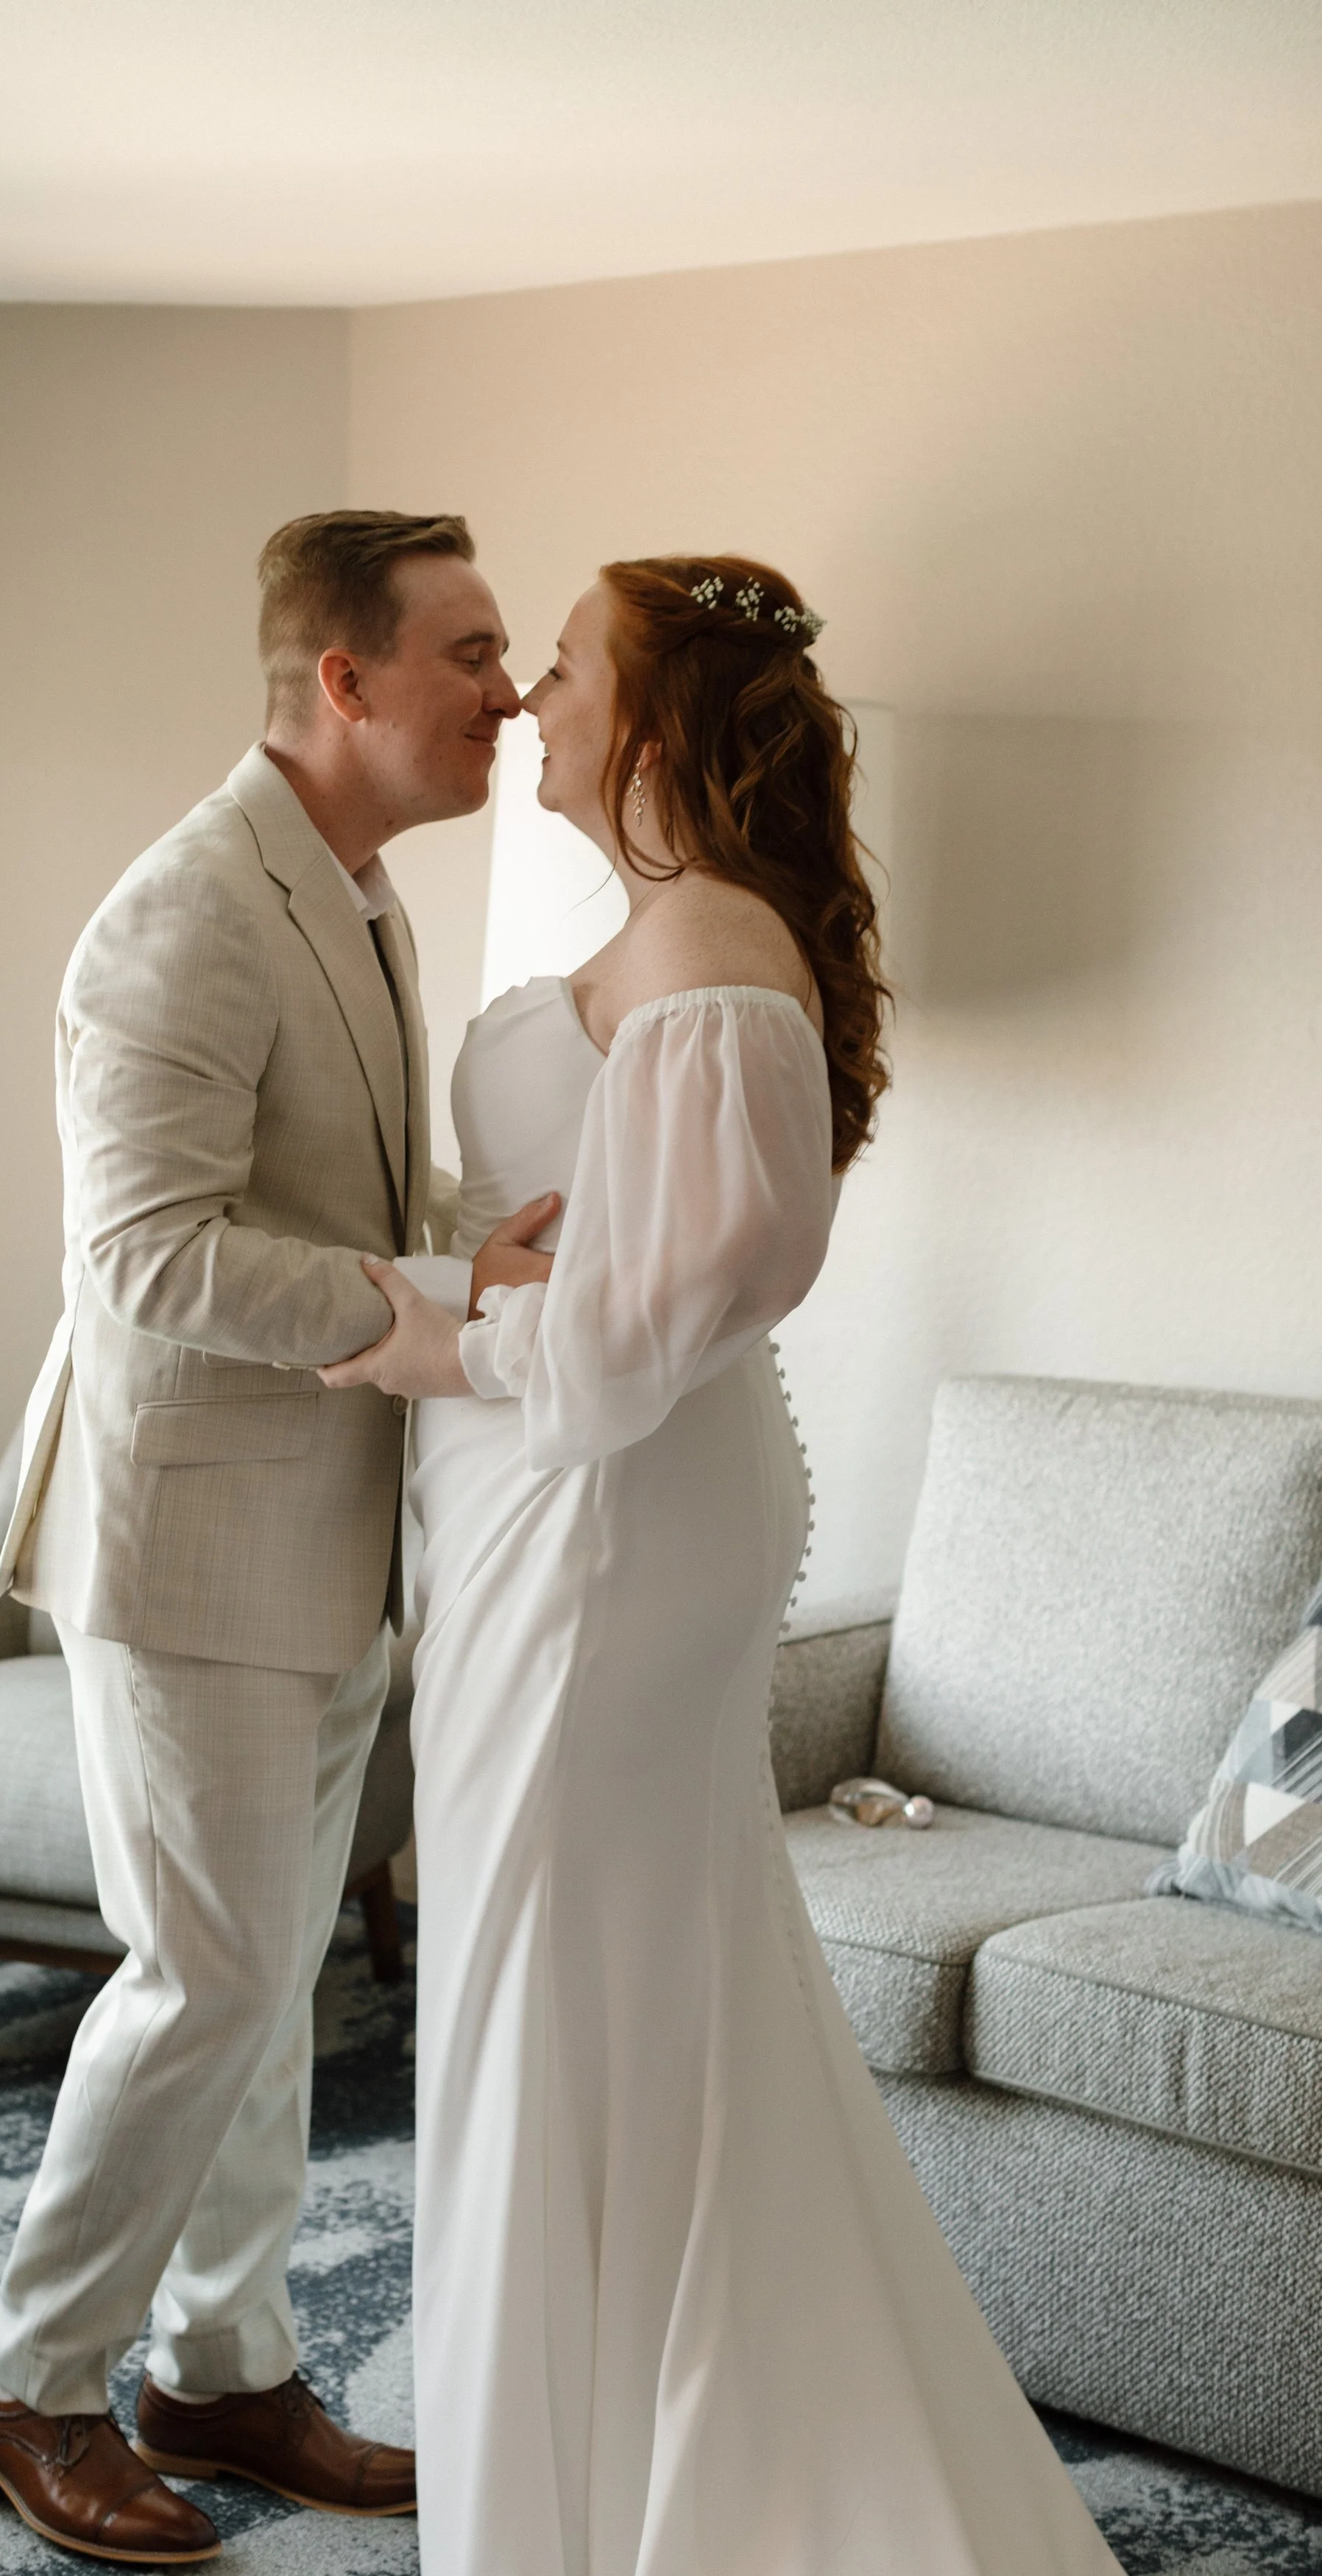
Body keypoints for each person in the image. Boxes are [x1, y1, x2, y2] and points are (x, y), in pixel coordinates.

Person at [320, 556, 1125, 2573]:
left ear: (657, 726)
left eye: (566, 668)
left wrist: (416, 1324)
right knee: (595, 1997)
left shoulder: (712, 960)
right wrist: (479, 1266)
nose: (531, 700)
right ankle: (605, 2470)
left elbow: (612, 1356)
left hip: (604, 1532)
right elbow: (598, 1258)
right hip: (566, 1519)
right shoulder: (666, 938)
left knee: (545, 1988)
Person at [0, 509, 548, 2564]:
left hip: (314, 1533)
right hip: (187, 1534)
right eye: (471, 650)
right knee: (201, 1972)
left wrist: (477, 1230)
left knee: (266, 1976)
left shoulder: (355, 892)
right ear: (346, 681)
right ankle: (22, 2381)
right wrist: (430, 1307)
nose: (514, 687)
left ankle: (221, 2364)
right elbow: (145, 1257)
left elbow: (337, 1172)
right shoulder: (183, 910)